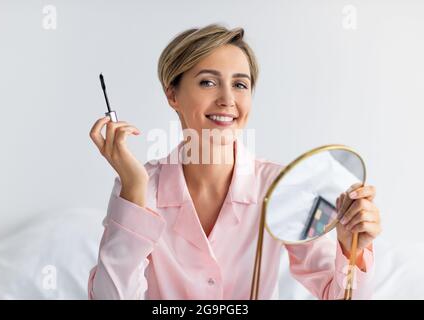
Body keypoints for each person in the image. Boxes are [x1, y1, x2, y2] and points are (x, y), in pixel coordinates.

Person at [88, 24, 381, 299]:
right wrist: (134, 190)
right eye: (208, 82)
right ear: (172, 94)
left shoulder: (283, 187)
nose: (227, 99)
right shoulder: (138, 189)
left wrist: (351, 247)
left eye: (240, 85)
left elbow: (336, 293)